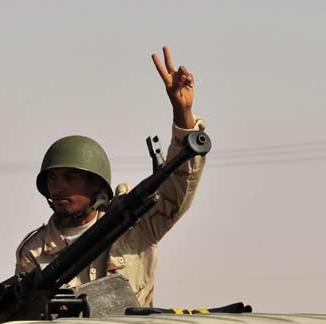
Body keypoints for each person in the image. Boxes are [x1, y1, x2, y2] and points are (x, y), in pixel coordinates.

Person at [16, 46, 206, 307]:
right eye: (53, 179)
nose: (58, 187)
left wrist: (182, 114)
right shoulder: (35, 250)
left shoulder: (136, 228)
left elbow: (178, 187)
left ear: (96, 184)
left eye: (70, 177)